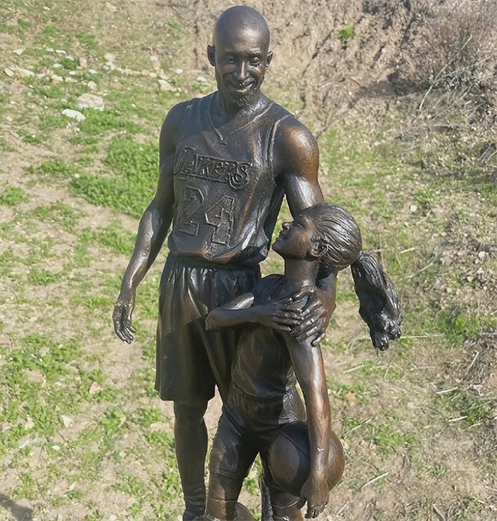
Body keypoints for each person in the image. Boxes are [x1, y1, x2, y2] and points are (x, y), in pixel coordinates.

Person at [112, 6, 336, 520]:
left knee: (265, 416)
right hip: (181, 285)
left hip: (243, 291)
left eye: (254, 60)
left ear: (269, 60)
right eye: (231, 59)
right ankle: (198, 510)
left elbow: (319, 233)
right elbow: (160, 207)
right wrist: (132, 279)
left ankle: (280, 507)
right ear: (211, 55)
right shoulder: (182, 121)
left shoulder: (287, 137)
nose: (242, 72)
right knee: (187, 409)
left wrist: (322, 301)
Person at [202, 203, 401, 521]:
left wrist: (318, 473)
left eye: (297, 225)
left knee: (282, 515)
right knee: (216, 513)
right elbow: (215, 319)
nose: (285, 224)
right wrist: (261, 314)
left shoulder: (301, 315)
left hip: (281, 429)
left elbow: (316, 393)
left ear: (317, 248)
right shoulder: (271, 288)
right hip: (237, 417)